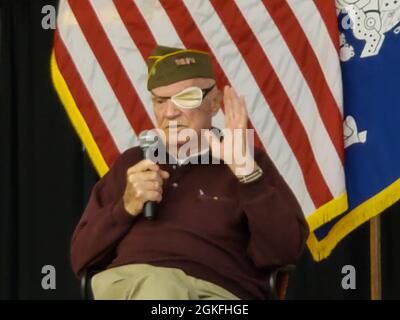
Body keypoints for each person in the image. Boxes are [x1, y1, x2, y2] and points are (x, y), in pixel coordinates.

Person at [70, 45, 309, 300]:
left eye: (185, 98)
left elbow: (284, 252)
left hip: (217, 295)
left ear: (214, 103)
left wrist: (246, 174)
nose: (170, 113)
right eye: (160, 101)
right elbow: (81, 257)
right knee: (160, 289)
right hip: (134, 285)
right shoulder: (133, 163)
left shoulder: (248, 161)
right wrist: (126, 207)